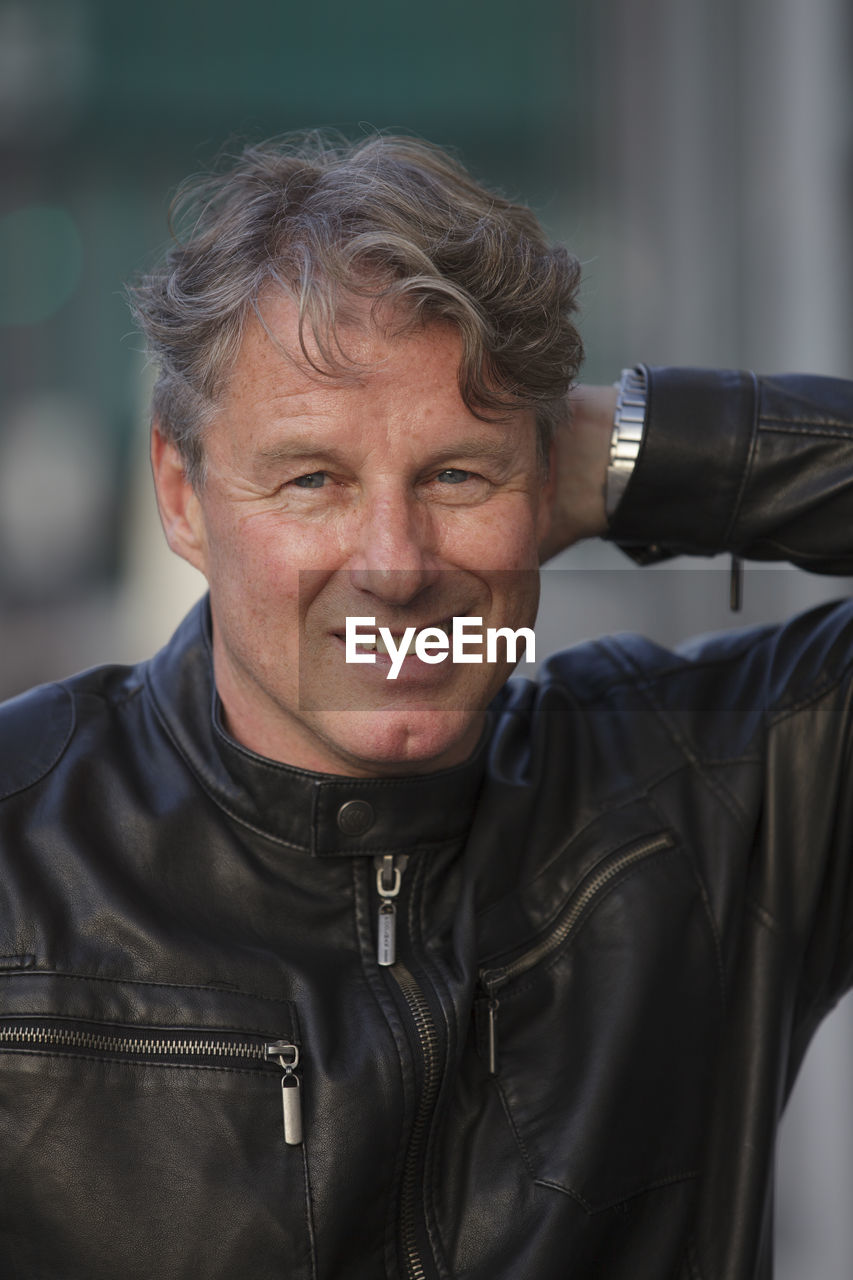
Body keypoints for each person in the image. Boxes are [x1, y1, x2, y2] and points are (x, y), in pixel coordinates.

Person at [0, 133, 851, 1280]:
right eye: (313, 479)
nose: (395, 564)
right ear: (181, 496)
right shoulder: (17, 856)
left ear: (548, 485)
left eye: (458, 474)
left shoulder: (719, 791)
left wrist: (637, 451)